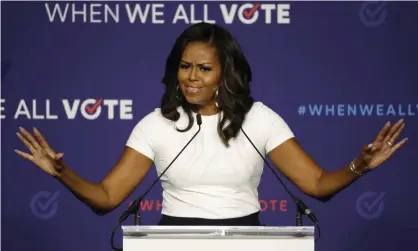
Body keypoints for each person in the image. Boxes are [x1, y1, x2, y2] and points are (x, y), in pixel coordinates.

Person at [15, 22, 407, 226]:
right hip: (170, 239)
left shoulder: (259, 118)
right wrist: (61, 172)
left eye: (204, 68)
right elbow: (106, 197)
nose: (191, 77)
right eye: (185, 67)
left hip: (247, 237)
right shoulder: (156, 125)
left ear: (226, 73)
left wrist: (360, 166)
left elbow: (317, 185)